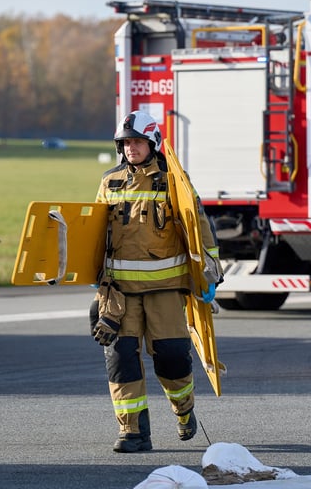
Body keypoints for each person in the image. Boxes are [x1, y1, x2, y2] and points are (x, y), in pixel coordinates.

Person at [89, 110, 222, 452]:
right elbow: (93, 233)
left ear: (152, 144)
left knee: (172, 358)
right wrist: (92, 276)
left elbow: (199, 226)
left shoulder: (173, 180)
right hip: (119, 293)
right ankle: (132, 431)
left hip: (165, 288)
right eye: (126, 143)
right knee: (121, 359)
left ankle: (184, 410)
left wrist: (210, 271)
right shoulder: (110, 182)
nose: (131, 148)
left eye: (137, 142)